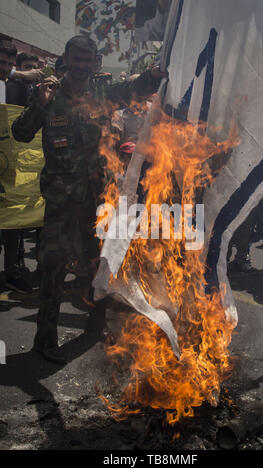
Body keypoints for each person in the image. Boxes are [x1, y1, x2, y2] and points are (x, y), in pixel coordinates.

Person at [12, 35, 166, 364]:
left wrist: (152, 76)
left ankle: (96, 328)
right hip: (60, 199)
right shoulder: (50, 95)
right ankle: (45, 339)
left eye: (87, 60)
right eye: (76, 59)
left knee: (100, 264)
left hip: (96, 198)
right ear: (66, 59)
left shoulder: (102, 93)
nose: (81, 66)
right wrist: (38, 102)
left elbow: (134, 91)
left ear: (95, 62)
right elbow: (20, 132)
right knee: (53, 268)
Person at [0, 40, 33, 294]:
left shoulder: (13, 88)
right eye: (2, 63)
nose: (5, 68)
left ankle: (12, 272)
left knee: (13, 223)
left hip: (9, 165)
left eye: (9, 64)